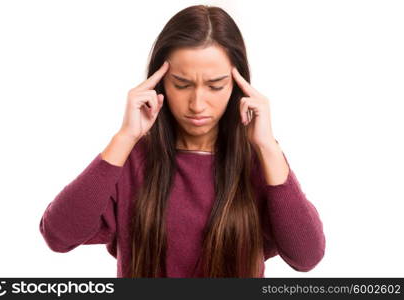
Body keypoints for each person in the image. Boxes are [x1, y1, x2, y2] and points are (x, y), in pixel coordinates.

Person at [39, 4, 325, 278]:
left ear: (239, 86)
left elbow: (307, 257)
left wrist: (267, 147)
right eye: (182, 84)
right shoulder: (131, 159)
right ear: (159, 82)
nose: (197, 104)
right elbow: (58, 235)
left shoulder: (261, 162)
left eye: (215, 85)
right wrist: (125, 137)